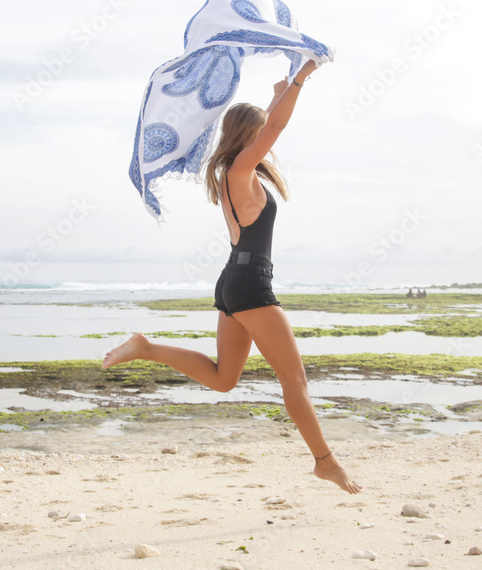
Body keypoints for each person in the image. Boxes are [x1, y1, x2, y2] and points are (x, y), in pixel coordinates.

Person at [104, 60, 361, 494]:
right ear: (250, 137)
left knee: (224, 379)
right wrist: (301, 79)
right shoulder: (240, 173)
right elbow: (275, 127)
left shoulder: (234, 174)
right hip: (250, 286)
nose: (268, 141)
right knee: (294, 382)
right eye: (259, 134)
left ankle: (147, 347)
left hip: (234, 281)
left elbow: (267, 123)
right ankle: (325, 461)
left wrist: (279, 89)